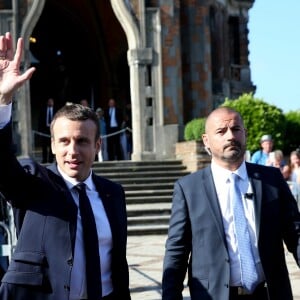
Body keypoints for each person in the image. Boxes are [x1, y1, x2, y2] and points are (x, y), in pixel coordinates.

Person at [0, 32, 130, 300]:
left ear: (97, 146)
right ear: (53, 146)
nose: (73, 151)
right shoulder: (34, 184)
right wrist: (3, 101)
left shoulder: (113, 194)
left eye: (82, 141)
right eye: (64, 141)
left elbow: (117, 266)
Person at [162, 106, 300, 300]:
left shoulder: (271, 180)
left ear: (245, 134)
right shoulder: (188, 189)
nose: (230, 136)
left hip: (269, 292)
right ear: (206, 141)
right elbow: (177, 252)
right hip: (214, 295)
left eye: (236, 129)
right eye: (221, 131)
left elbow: (296, 234)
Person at [38, 97, 56, 163]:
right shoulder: (43, 110)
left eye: (51, 101)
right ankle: (44, 159)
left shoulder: (56, 110)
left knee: (52, 145)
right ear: (47, 103)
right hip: (44, 130)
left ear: (53, 103)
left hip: (53, 130)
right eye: (49, 101)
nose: (50, 103)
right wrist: (40, 131)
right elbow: (40, 120)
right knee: (44, 146)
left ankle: (51, 160)